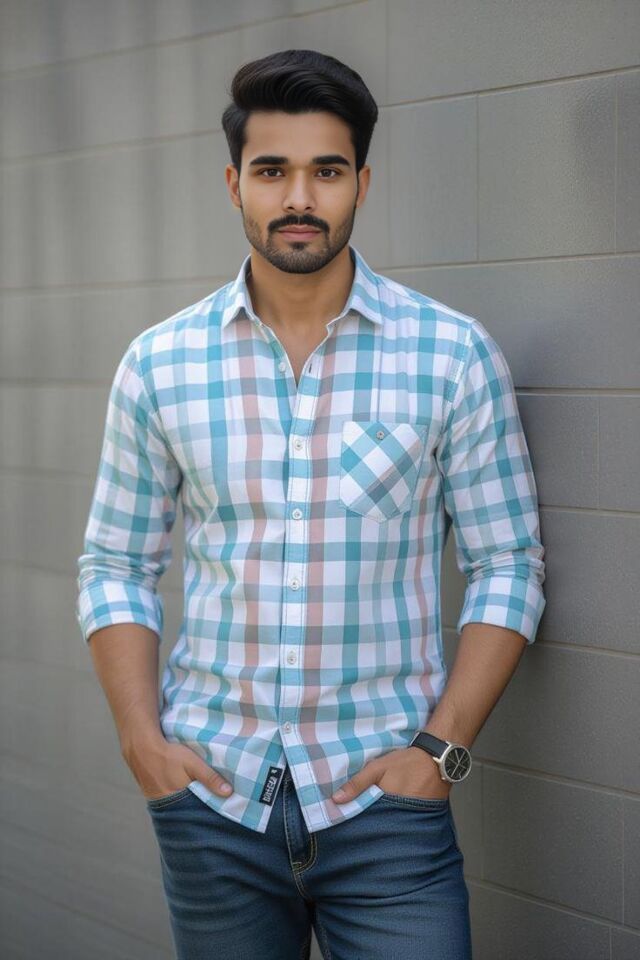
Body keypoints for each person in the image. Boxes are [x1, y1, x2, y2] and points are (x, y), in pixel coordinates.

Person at [76, 48, 546, 960]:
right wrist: (142, 742)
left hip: (388, 813)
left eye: (327, 171)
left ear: (363, 182)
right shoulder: (159, 364)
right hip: (212, 805)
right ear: (234, 184)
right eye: (272, 171)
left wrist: (440, 751)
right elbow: (116, 564)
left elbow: (509, 563)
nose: (299, 197)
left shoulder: (451, 356)